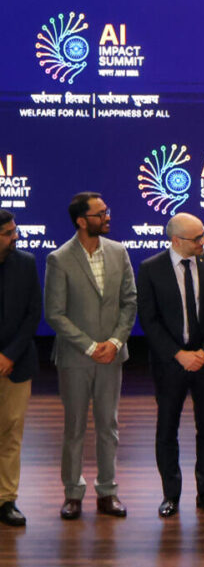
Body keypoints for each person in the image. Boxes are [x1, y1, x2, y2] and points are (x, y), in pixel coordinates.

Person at [44, 192, 137, 521]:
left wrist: (114, 342)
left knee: (108, 426)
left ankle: (107, 491)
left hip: (112, 355)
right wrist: (89, 346)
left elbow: (129, 302)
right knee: (74, 428)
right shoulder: (59, 259)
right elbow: (55, 313)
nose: (107, 217)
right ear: (82, 221)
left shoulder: (119, 252)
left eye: (106, 211)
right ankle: (73, 493)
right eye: (100, 213)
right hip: (75, 358)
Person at [137, 212, 204, 517]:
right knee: (167, 429)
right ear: (176, 240)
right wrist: (179, 354)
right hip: (170, 363)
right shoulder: (151, 269)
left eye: (203, 235)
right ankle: (171, 495)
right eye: (197, 238)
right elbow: (149, 320)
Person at [0, 211, 41, 527]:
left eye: (15, 231)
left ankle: (6, 499)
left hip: (16, 363)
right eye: (7, 233)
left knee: (11, 433)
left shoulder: (26, 263)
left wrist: (9, 354)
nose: (15, 237)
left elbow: (33, 313)